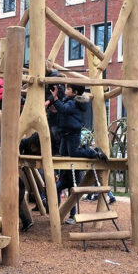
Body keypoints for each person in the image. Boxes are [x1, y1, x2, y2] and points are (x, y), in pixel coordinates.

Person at [48, 84, 89, 214]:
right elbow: (62, 111)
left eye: (68, 89)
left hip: (73, 134)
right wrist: (55, 107)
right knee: (62, 155)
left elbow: (65, 110)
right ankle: (56, 211)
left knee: (74, 153)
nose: (65, 91)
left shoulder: (74, 102)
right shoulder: (68, 101)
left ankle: (91, 151)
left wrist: (55, 99)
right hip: (65, 134)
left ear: (75, 92)